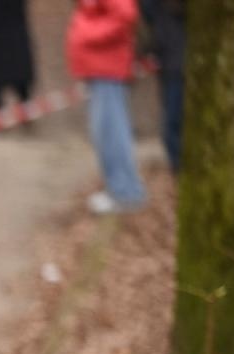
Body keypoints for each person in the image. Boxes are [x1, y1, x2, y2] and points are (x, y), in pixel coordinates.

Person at [67, 0, 146, 214]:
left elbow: (125, 15)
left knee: (111, 132)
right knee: (104, 133)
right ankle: (118, 188)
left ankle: (125, 191)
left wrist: (88, 35)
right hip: (99, 67)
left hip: (107, 68)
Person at [139, 0, 184, 174]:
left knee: (173, 124)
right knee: (170, 123)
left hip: (178, 63)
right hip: (167, 62)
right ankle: (177, 171)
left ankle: (179, 171)